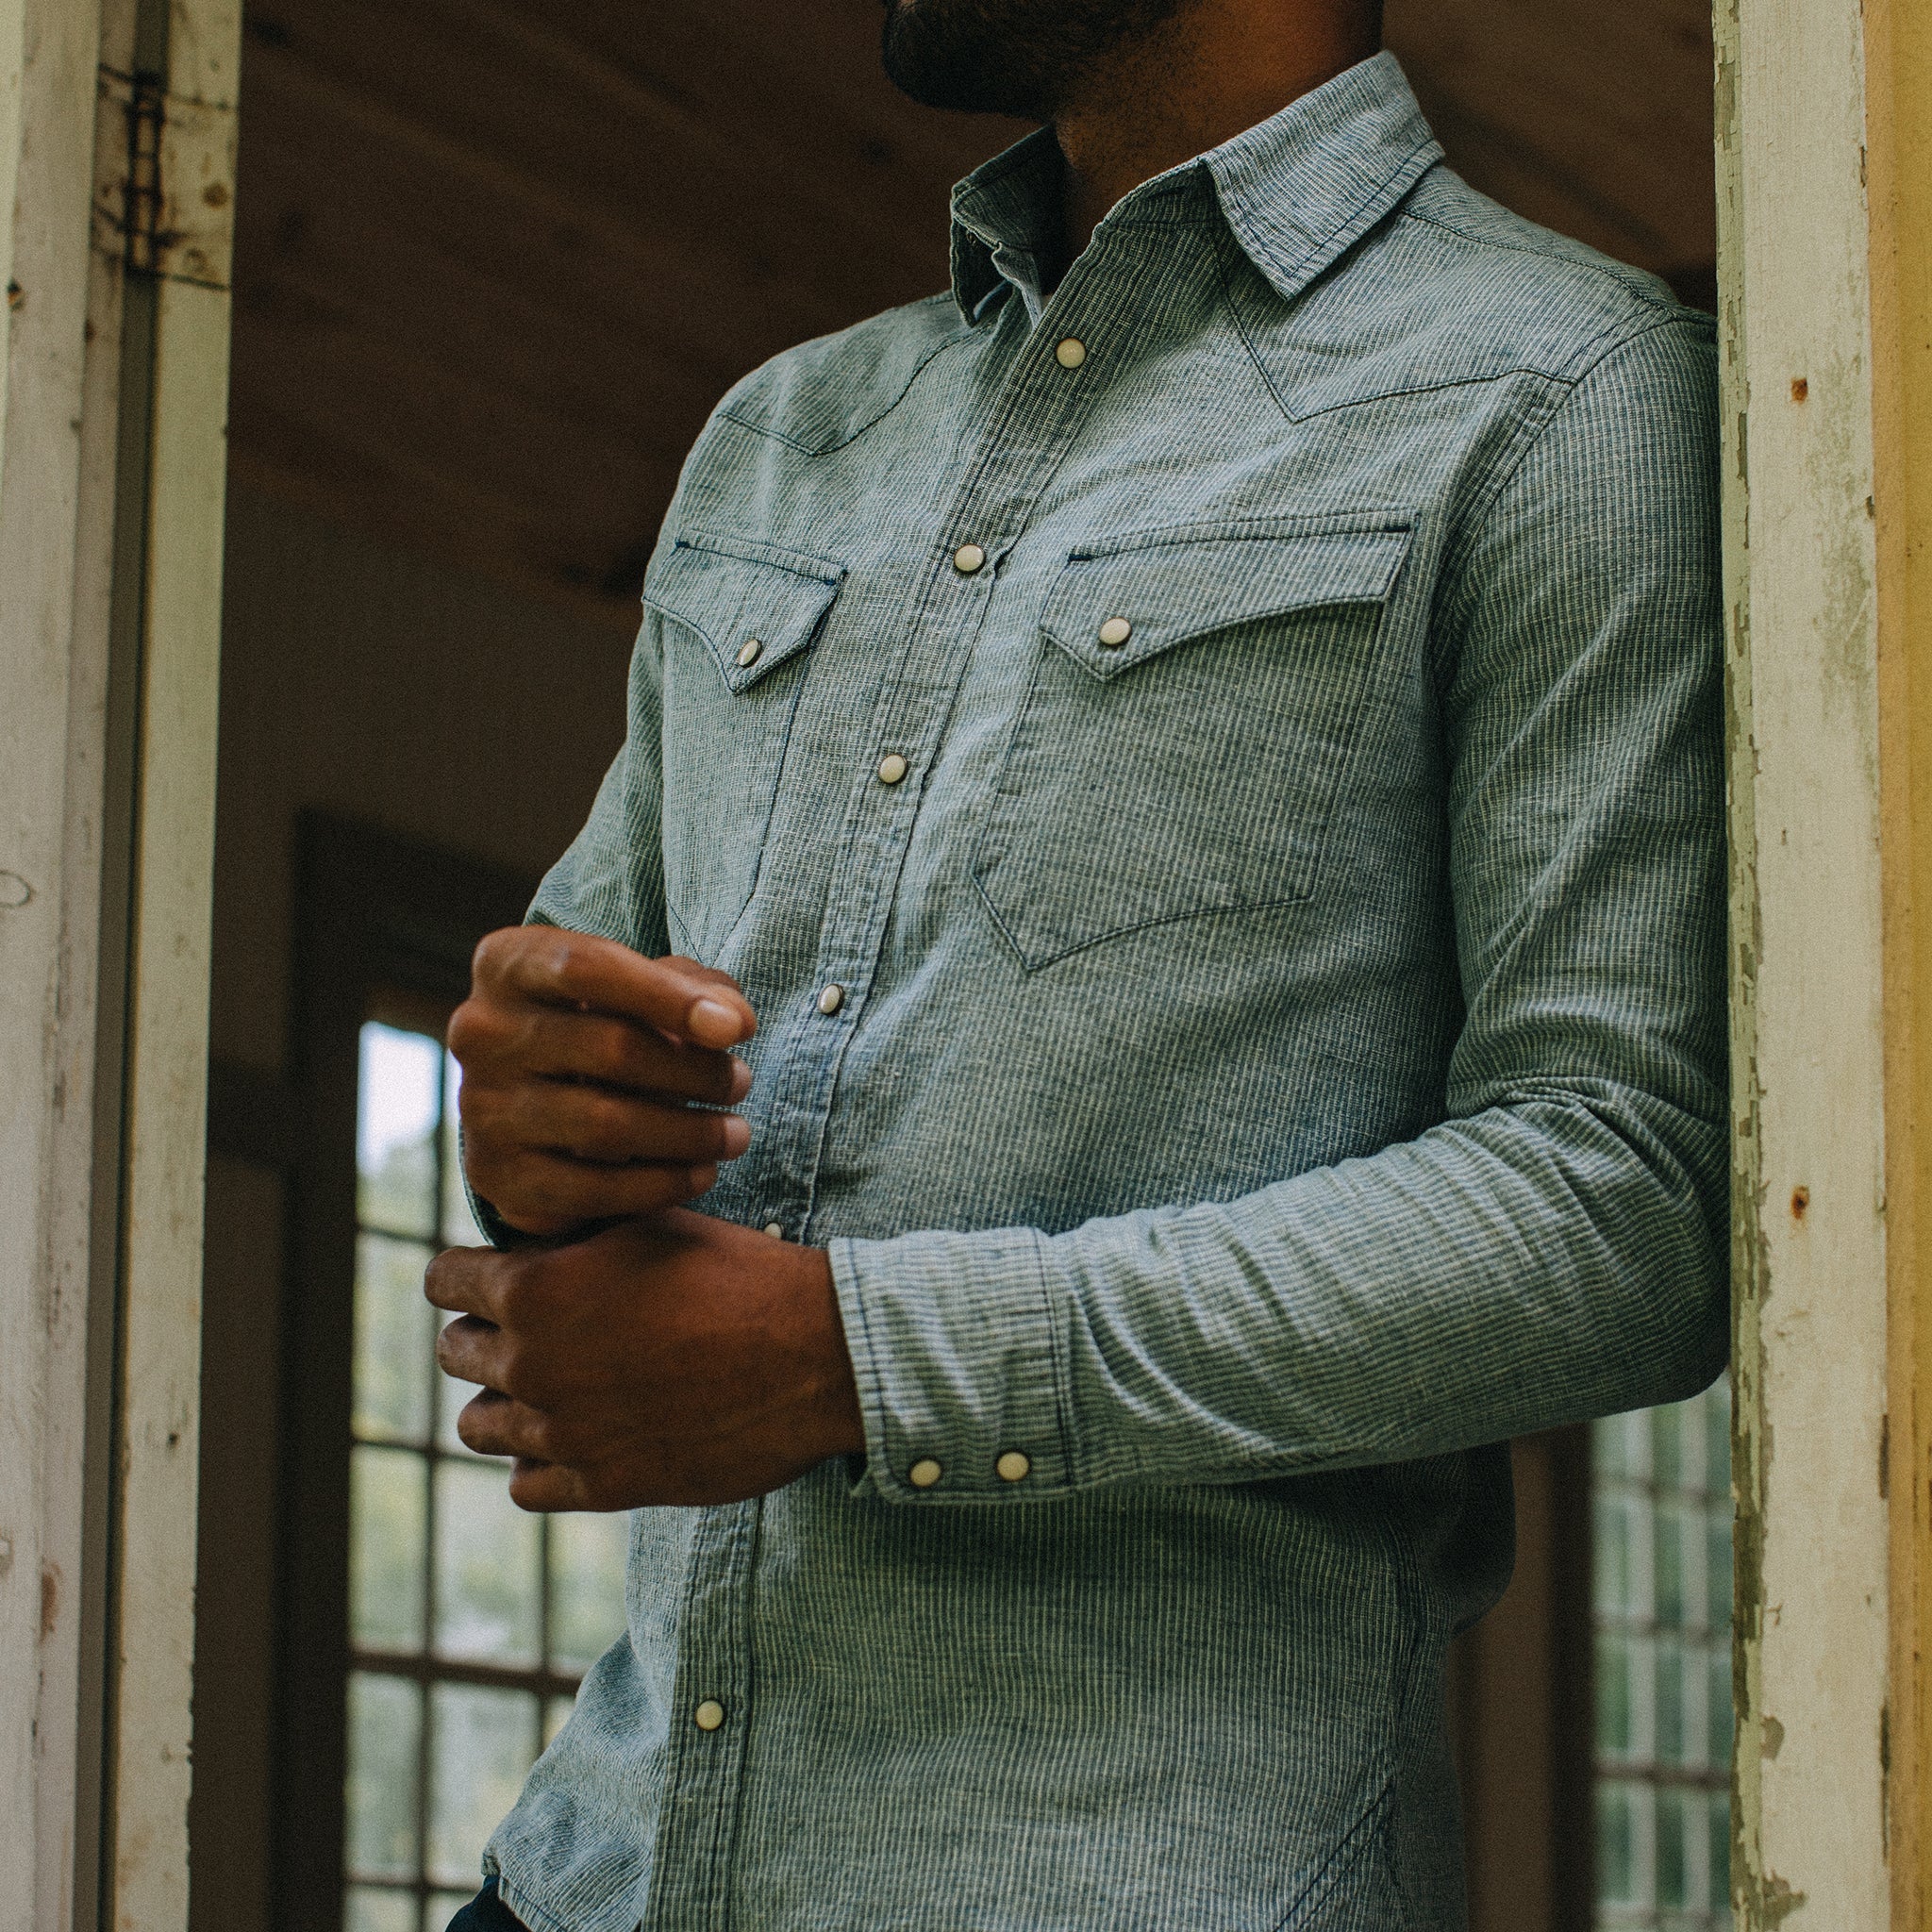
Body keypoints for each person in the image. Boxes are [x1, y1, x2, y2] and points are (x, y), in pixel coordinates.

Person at [425, 0, 1726, 1921]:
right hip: (590, 1874)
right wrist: (530, 1138)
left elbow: (1627, 1204)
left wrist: (865, 1360)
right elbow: (581, 1044)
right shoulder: (785, 436)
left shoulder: (1571, 393)